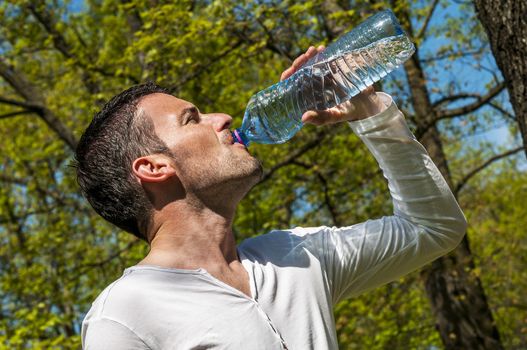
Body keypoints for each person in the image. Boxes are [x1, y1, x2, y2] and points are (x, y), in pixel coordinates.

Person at [77, 46, 467, 349]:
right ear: (154, 168)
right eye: (192, 118)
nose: (223, 118)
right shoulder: (126, 314)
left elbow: (432, 227)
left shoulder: (294, 256)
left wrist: (371, 114)